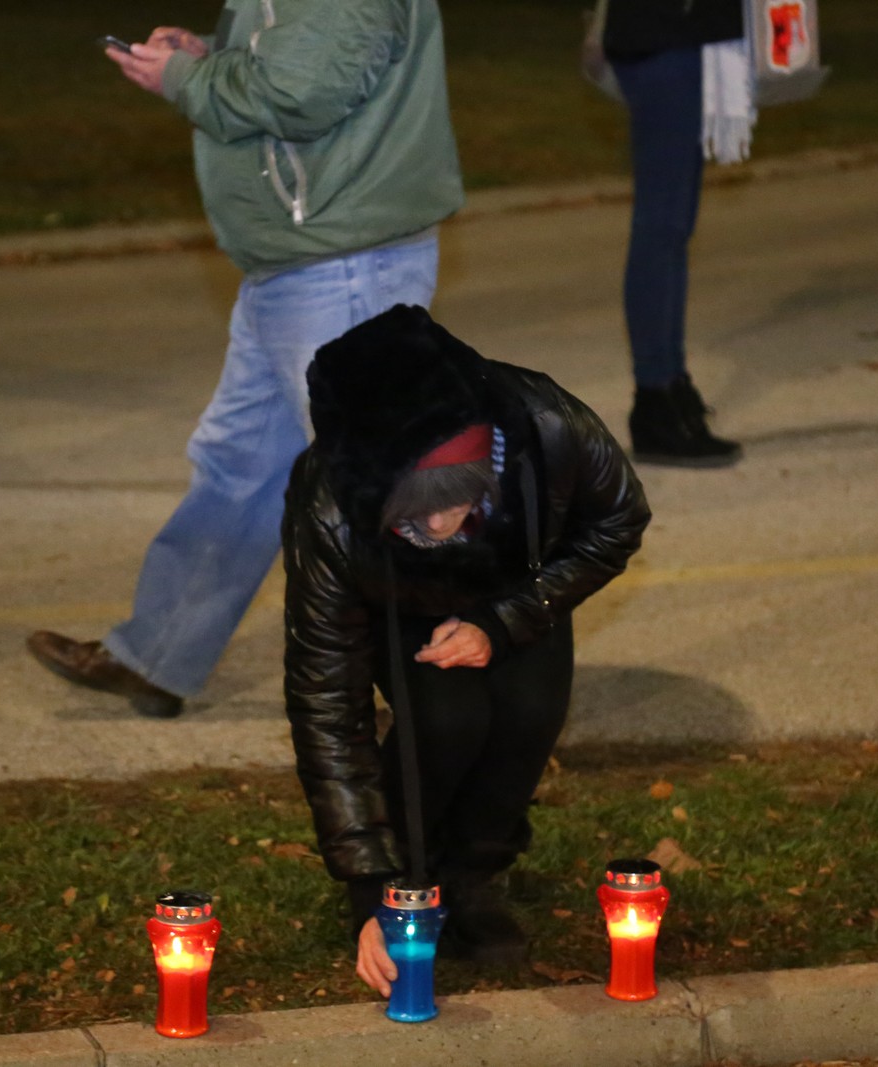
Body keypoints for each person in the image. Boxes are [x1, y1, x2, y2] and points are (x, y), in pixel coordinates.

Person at [27, 0, 464, 717]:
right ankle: (157, 657)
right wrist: (207, 56)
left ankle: (465, 702)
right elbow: (303, 53)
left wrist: (183, 80)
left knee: (384, 493)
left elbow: (302, 92)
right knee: (241, 470)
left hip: (340, 264)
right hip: (301, 263)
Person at [279, 305, 651, 991]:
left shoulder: (549, 425)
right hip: (398, 601)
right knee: (447, 721)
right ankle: (407, 883)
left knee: (530, 712)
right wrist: (369, 887)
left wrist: (501, 622)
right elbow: (327, 700)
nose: (440, 524)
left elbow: (616, 521)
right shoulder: (330, 508)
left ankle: (475, 874)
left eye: (458, 500)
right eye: (413, 513)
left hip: (522, 584)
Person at [605, 0, 748, 468]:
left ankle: (669, 385)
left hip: (675, 37)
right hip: (665, 37)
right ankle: (655, 395)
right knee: (662, 228)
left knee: (671, 229)